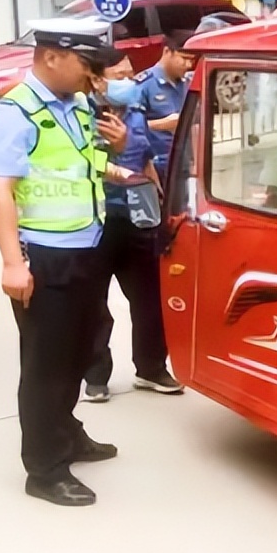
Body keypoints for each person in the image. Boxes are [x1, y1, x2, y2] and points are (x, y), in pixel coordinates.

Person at [0, 20, 134, 507]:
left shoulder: (77, 105)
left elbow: (75, 162)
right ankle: (45, 469)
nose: (94, 76)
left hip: (87, 247)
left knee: (78, 352)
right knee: (46, 365)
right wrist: (12, 263)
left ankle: (67, 432)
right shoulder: (15, 112)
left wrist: (116, 156)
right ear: (51, 57)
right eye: (87, 64)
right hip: (44, 257)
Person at [82, 57, 183, 401]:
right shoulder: (80, 114)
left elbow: (146, 157)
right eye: (120, 75)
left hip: (138, 216)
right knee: (94, 304)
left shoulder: (135, 108)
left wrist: (161, 203)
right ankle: (96, 375)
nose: (129, 80)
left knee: (150, 299)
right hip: (97, 220)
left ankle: (151, 368)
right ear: (98, 81)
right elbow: (82, 162)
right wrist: (117, 150)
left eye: (130, 73)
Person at [136, 28, 197, 182]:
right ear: (167, 52)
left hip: (183, 164)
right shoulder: (144, 85)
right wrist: (162, 124)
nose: (188, 65)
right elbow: (129, 128)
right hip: (156, 168)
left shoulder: (186, 84)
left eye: (191, 60)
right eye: (184, 58)